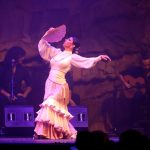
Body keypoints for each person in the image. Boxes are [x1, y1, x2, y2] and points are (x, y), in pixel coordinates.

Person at [33, 24, 111, 140]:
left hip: (60, 85)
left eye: (69, 39)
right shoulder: (57, 53)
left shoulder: (72, 57)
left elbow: (86, 61)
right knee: (50, 107)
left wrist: (99, 58)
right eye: (67, 38)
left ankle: (49, 133)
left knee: (51, 104)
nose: (66, 40)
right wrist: (47, 34)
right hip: (50, 83)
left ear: (73, 45)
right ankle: (50, 133)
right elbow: (44, 46)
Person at [0, 46, 32, 127]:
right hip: (4, 94)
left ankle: (22, 127)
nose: (23, 58)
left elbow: (30, 85)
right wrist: (7, 95)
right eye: (21, 57)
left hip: (17, 94)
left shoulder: (22, 69)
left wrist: (24, 95)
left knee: (22, 101)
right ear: (15, 57)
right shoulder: (2, 68)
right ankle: (3, 127)